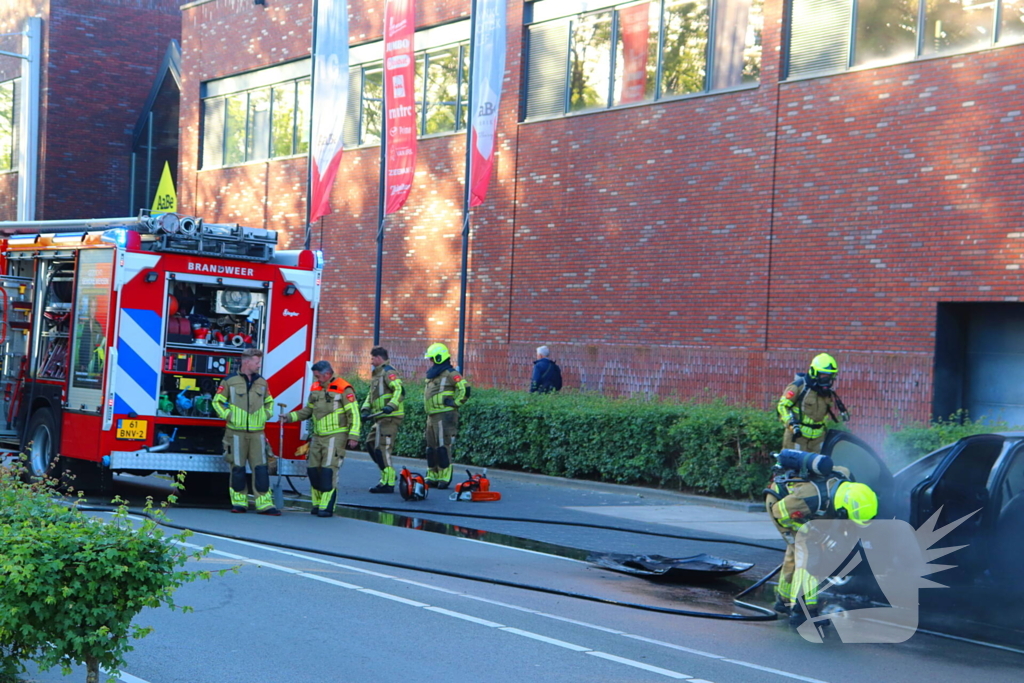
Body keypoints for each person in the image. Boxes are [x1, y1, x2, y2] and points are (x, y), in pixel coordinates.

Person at [764, 453, 878, 627]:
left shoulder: (846, 478)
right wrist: (811, 532)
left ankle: (784, 600)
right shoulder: (810, 499)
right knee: (810, 558)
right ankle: (802, 613)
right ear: (842, 509)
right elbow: (780, 514)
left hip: (800, 508)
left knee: (794, 554)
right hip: (782, 507)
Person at [286, 360, 361, 517]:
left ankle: (326, 507)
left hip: (336, 435)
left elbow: (353, 413)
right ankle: (317, 504)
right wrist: (289, 417)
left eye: (318, 376)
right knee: (313, 470)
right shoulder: (315, 388)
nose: (316, 379)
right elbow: (308, 410)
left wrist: (354, 435)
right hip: (318, 436)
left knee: (328, 470)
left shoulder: (343, 388)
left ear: (327, 374)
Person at [212, 348, 279, 515]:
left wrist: (266, 414)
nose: (259, 365)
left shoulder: (262, 383)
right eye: (257, 362)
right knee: (238, 468)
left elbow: (270, 402)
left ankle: (264, 504)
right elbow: (217, 402)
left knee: (261, 469)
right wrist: (229, 416)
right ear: (246, 362)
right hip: (235, 433)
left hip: (257, 433)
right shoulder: (230, 381)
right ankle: (239, 503)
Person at [776, 353, 849, 453]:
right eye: (823, 374)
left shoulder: (826, 392)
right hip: (797, 437)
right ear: (814, 372)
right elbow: (782, 406)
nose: (826, 378)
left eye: (829, 375)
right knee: (792, 465)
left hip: (818, 439)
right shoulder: (799, 387)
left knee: (816, 467)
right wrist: (791, 424)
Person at [423, 342, 470, 488]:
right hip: (431, 415)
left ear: (438, 358)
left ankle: (444, 477)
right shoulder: (433, 374)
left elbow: (465, 389)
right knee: (431, 447)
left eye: (432, 358)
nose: (430, 361)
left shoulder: (451, 373)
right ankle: (432, 475)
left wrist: (456, 403)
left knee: (443, 446)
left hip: (444, 415)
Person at [360, 346, 405, 493]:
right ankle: (386, 473)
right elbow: (371, 395)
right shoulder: (377, 374)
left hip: (389, 418)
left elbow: (400, 390)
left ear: (378, 358)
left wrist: (391, 406)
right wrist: (365, 409)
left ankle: (388, 482)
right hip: (380, 417)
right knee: (370, 444)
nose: (371, 361)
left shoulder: (388, 372)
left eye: (372, 358)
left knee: (382, 449)